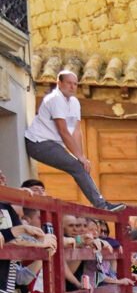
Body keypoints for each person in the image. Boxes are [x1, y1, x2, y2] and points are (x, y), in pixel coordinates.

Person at [24, 71, 125, 212]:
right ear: (59, 83)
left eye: (75, 84)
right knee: (76, 166)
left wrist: (82, 157)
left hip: (53, 144)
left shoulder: (74, 102)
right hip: (38, 143)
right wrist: (80, 158)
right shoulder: (54, 99)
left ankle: (101, 204)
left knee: (80, 166)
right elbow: (63, 131)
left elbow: (77, 131)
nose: (72, 87)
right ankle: (102, 206)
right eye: (68, 83)